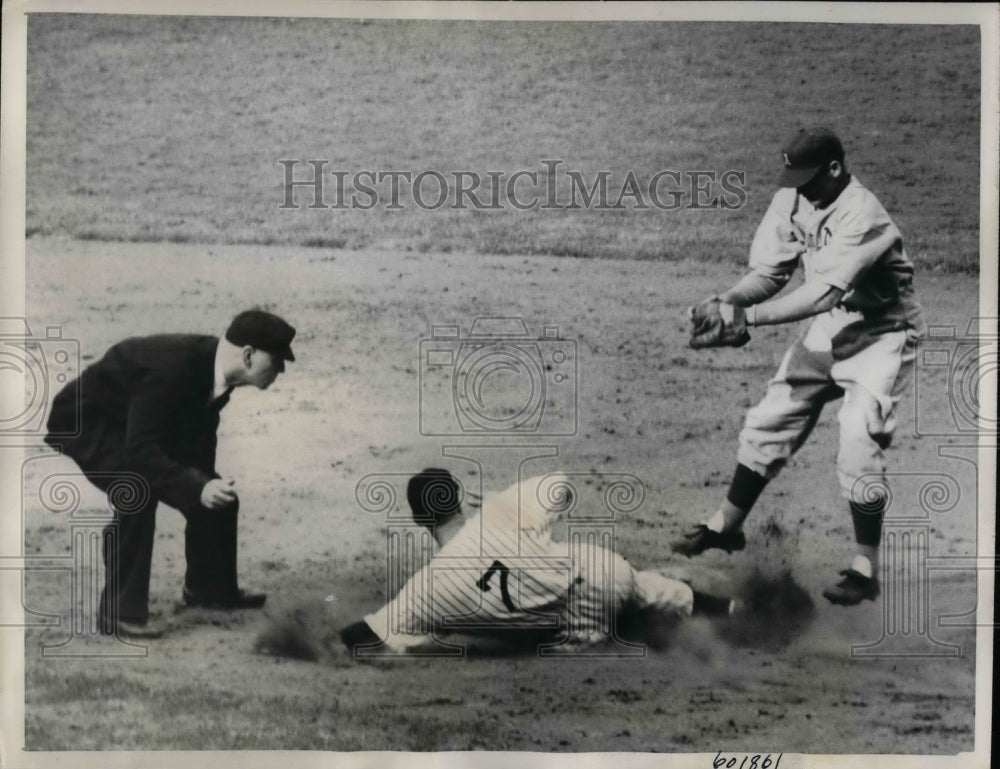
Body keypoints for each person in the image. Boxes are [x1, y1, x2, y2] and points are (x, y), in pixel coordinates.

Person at [671, 127, 926, 606]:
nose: (798, 188)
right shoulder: (791, 198)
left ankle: (865, 566)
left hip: (884, 334)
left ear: (835, 168)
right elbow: (771, 273)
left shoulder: (863, 214)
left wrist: (748, 318)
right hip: (831, 327)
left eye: (807, 178)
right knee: (770, 416)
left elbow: (823, 293)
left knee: (858, 433)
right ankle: (727, 525)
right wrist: (728, 300)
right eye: (793, 176)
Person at [44, 309, 296, 638]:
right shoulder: (171, 369)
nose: (280, 370)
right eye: (276, 361)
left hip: (135, 423)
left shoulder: (217, 371)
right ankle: (118, 613)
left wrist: (205, 484)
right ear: (248, 355)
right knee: (136, 491)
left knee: (217, 495)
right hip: (87, 423)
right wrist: (194, 488)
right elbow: (138, 451)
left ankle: (209, 591)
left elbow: (197, 435)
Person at [338, 469, 737, 655]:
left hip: (576, 630)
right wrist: (497, 499)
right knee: (651, 590)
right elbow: (560, 486)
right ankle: (735, 611)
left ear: (420, 520)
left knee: (608, 632)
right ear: (460, 500)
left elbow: (366, 635)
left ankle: (662, 628)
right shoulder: (498, 514)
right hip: (605, 572)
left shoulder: (426, 590)